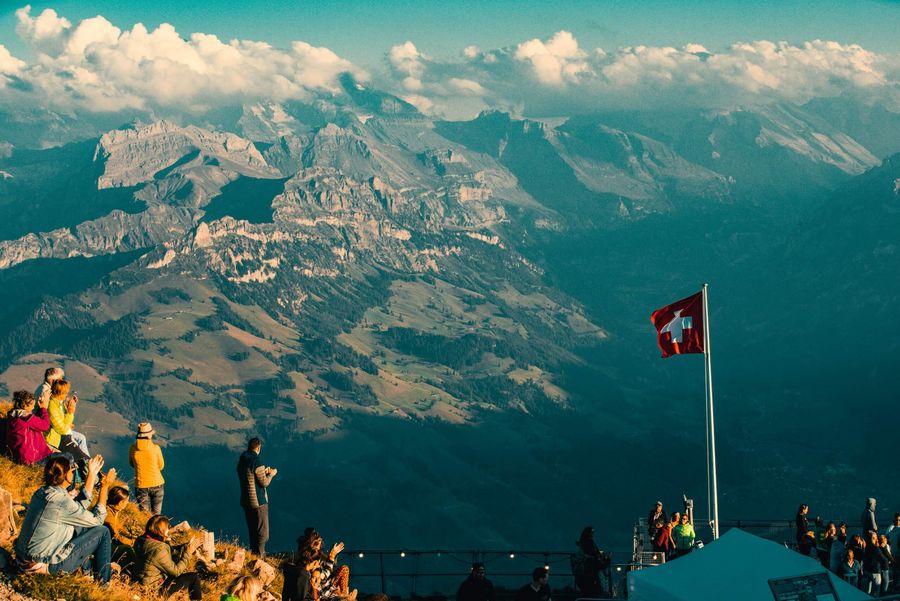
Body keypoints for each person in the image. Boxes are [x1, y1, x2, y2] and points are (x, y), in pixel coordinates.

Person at [14, 454, 116, 584]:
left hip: (23, 560)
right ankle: (103, 585)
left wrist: (91, 474)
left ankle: (86, 572)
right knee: (103, 531)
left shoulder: (43, 492)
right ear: (66, 475)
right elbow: (98, 519)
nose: (73, 472)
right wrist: (105, 487)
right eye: (71, 469)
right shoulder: (61, 502)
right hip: (43, 565)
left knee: (79, 526)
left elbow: (77, 508)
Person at [134, 514, 203, 600]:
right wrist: (188, 552)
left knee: (176, 558)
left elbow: (167, 555)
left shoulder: (141, 539)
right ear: (161, 530)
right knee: (194, 577)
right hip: (153, 590)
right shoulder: (159, 549)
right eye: (167, 527)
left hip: (143, 581)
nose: (168, 529)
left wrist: (185, 547)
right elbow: (176, 572)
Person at [237, 437, 277, 558]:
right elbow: (263, 482)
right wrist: (271, 474)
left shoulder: (242, 459)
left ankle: (254, 555)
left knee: (252, 531)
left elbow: (251, 478)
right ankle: (260, 556)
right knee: (263, 533)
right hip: (258, 501)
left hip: (246, 500)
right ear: (258, 447)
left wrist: (262, 473)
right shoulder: (256, 461)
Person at [299, 528, 353, 600]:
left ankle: (343, 596)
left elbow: (326, 572)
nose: (319, 544)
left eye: (320, 541)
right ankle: (343, 597)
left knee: (344, 569)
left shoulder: (319, 556)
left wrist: (332, 555)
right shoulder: (306, 566)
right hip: (323, 593)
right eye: (317, 542)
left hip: (328, 587)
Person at [45, 379, 90, 464]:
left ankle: (90, 465)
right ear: (60, 393)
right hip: (58, 438)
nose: (67, 394)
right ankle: (89, 466)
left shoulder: (59, 403)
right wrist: (70, 412)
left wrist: (71, 405)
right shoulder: (52, 407)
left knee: (81, 439)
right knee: (80, 455)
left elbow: (64, 421)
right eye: (66, 392)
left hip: (63, 434)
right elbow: (62, 430)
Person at [5, 390, 53, 465]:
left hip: (18, 456)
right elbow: (45, 426)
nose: (33, 407)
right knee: (68, 457)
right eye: (32, 405)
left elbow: (34, 423)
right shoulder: (26, 418)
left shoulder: (13, 415)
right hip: (32, 458)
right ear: (25, 405)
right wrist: (43, 409)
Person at [129, 422, 165, 514]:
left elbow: (131, 464)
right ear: (149, 436)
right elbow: (161, 466)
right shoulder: (156, 448)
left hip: (141, 485)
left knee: (145, 515)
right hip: (157, 483)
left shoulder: (132, 449)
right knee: (156, 514)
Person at [105, 486, 138, 575]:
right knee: (127, 549)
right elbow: (116, 536)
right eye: (126, 501)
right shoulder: (108, 515)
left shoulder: (113, 511)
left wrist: (131, 536)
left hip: (110, 541)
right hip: (107, 545)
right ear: (120, 502)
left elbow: (118, 528)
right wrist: (132, 543)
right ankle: (131, 573)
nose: (127, 503)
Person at [573, 527, 606, 596]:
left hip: (587, 570)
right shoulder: (588, 542)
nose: (593, 534)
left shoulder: (584, 542)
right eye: (592, 532)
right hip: (589, 569)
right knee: (592, 589)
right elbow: (593, 553)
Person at [862, 531, 888, 596]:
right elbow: (884, 560)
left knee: (865, 593)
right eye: (876, 537)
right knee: (875, 594)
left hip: (866, 571)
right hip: (875, 572)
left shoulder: (865, 547)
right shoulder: (876, 549)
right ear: (874, 538)